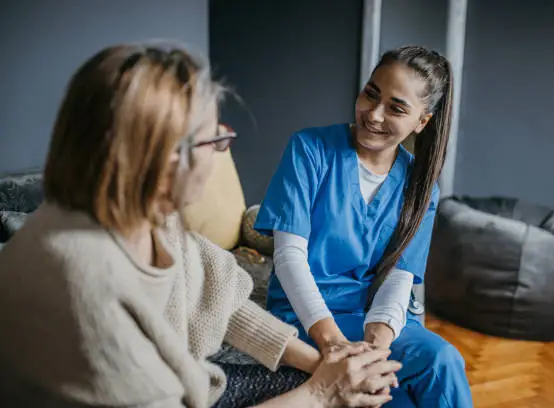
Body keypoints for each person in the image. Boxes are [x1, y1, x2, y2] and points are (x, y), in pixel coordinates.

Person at [0, 43, 403, 408]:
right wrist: (323, 392)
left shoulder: (150, 218)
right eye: (215, 140)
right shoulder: (81, 283)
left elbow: (219, 304)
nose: (223, 151)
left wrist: (322, 364)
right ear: (163, 160)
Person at [254, 45, 474, 407]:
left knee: (441, 362)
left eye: (396, 108)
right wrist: (333, 343)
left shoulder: (421, 189)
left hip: (375, 320)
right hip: (307, 316)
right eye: (371, 94)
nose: (373, 114)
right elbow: (289, 258)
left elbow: (399, 278)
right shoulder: (309, 149)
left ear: (422, 121)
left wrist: (378, 344)